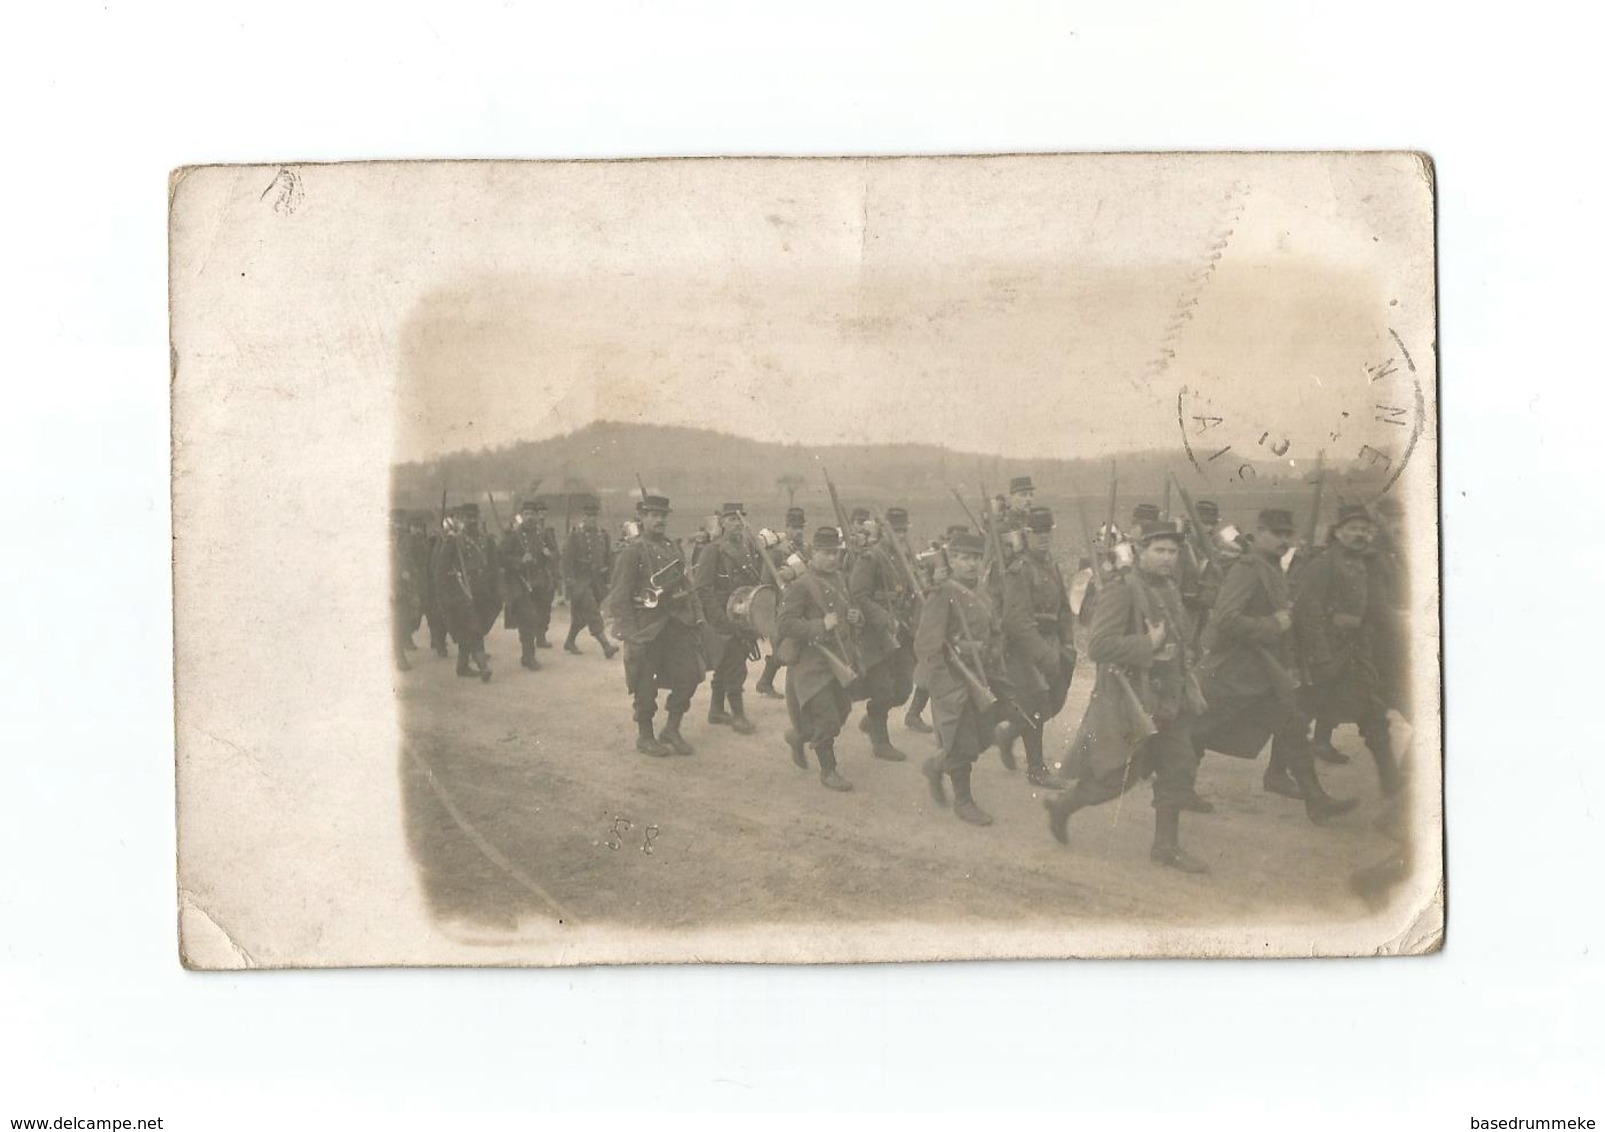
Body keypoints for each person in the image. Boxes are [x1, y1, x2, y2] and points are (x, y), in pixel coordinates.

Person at [1046, 519, 1209, 873]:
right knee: (1114, 780)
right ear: (1140, 552)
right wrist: (1146, 645)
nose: (1167, 558)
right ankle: (1063, 806)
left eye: (1173, 551)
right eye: (1159, 550)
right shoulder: (1121, 589)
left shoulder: (1169, 588)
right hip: (1130, 699)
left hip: (1169, 697)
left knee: (1179, 766)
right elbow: (1099, 646)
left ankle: (1165, 847)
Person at [1191, 509, 1358, 823]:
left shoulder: (1272, 567)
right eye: (1277, 533)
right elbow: (1225, 619)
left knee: (1293, 726)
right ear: (1260, 531)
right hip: (1233, 672)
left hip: (1263, 673)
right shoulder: (1248, 569)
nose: (1284, 540)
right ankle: (1168, 783)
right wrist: (1272, 624)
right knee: (1195, 730)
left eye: (1288, 534)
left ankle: (1314, 799)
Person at [1293, 504, 1402, 796]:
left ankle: (1392, 783)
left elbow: (1378, 608)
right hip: (1323, 654)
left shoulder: (1370, 564)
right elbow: (1307, 612)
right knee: (1296, 720)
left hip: (1356, 654)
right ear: (1338, 532)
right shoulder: (1322, 564)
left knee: (1373, 715)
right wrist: (1320, 657)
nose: (1360, 535)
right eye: (1353, 529)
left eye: (1365, 530)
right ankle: (1286, 778)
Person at [914, 530, 1005, 825]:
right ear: (952, 560)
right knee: (963, 743)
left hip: (979, 677)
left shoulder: (982, 592)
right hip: (952, 680)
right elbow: (926, 645)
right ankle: (963, 801)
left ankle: (937, 765)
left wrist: (991, 648)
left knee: (981, 738)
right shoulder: (943, 594)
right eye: (965, 558)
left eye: (976, 558)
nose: (971, 564)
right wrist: (944, 687)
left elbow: (992, 630)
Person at [605, 495, 705, 757]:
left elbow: (687, 584)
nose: (659, 520)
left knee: (690, 676)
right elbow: (619, 596)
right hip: (647, 628)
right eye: (653, 515)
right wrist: (631, 635)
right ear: (642, 518)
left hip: (677, 624)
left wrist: (696, 616)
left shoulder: (673, 547)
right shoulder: (633, 550)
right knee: (644, 685)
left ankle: (672, 729)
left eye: (663, 515)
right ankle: (645, 736)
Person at [777, 526, 863, 792]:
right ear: (812, 553)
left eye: (835, 552)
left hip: (839, 660)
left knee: (841, 711)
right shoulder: (801, 585)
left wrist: (855, 618)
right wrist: (819, 625)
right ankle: (829, 770)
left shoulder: (840, 579)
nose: (832, 558)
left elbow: (848, 613)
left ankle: (800, 735)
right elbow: (785, 624)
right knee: (827, 719)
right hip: (812, 663)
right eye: (825, 553)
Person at [1001, 506, 1077, 789]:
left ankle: (1009, 735)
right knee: (1035, 703)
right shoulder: (1019, 569)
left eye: (1048, 532)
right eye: (1038, 533)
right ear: (1027, 534)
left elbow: (1065, 610)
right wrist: (1042, 654)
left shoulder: (1051, 564)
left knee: (1053, 702)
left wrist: (1068, 644)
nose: (1044, 538)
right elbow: (1015, 620)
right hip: (1025, 647)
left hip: (1052, 642)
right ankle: (1036, 768)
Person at [849, 506, 919, 762]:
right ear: (883, 531)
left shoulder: (906, 557)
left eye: (903, 531)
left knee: (902, 689)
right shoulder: (871, 558)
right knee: (882, 689)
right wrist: (883, 618)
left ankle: (872, 720)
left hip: (902, 629)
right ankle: (881, 741)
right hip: (875, 633)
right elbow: (858, 594)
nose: (899, 536)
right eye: (894, 531)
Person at [693, 502, 765, 735]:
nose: (737, 523)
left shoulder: (748, 548)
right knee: (735, 665)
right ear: (722, 522)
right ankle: (738, 715)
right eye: (732, 519)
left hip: (744, 614)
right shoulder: (713, 550)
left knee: (728, 662)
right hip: (724, 616)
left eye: (740, 519)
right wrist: (720, 620)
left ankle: (715, 710)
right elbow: (702, 588)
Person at [430, 504, 495, 682]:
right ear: (461, 519)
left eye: (475, 517)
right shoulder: (454, 541)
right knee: (473, 629)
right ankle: (483, 667)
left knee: (473, 628)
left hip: (481, 593)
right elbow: (440, 572)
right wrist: (444, 597)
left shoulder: (485, 540)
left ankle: (462, 666)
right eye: (468, 517)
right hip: (461, 593)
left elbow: (492, 567)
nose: (472, 521)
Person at [754, 506, 808, 699]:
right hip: (781, 607)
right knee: (787, 648)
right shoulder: (776, 553)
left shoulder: (805, 550)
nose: (798, 531)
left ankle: (765, 682)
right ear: (786, 528)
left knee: (789, 648)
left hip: (801, 606)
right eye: (794, 527)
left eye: (801, 527)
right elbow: (766, 584)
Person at [500, 499, 560, 670]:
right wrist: (519, 561)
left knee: (539, 618)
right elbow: (501, 557)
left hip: (539, 583)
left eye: (532, 514)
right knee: (527, 620)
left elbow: (556, 553)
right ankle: (528, 656)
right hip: (520, 583)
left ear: (536, 516)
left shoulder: (543, 534)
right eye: (526, 514)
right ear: (521, 516)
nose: (529, 517)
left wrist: (550, 554)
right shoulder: (513, 536)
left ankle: (530, 652)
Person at [562, 500, 619, 659]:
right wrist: (570, 582)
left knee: (581, 617)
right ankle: (606, 646)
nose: (591, 519)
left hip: (597, 581)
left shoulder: (603, 535)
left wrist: (608, 578)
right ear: (583, 518)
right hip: (580, 581)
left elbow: (609, 558)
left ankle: (569, 641)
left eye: (594, 516)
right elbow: (567, 560)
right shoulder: (575, 535)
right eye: (588, 516)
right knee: (592, 611)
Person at [390, 509, 421, 672]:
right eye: (392, 535)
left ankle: (399, 653)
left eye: (396, 535)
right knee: (396, 624)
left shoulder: (399, 550)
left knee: (401, 623)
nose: (395, 538)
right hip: (393, 592)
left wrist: (410, 576)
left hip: (402, 592)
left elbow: (409, 565)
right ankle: (399, 657)